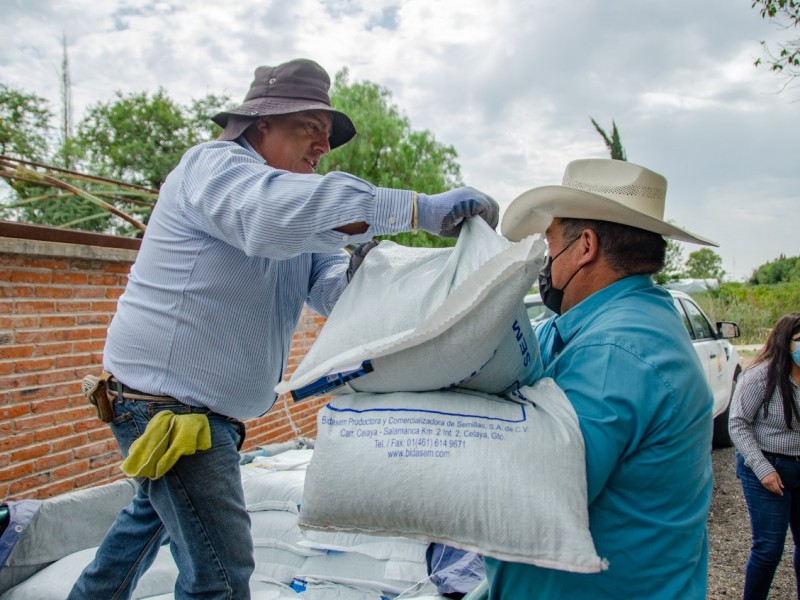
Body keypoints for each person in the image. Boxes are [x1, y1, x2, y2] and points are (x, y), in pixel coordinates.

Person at [67, 58, 498, 600]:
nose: (322, 147)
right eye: (309, 130)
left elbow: (331, 292)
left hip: (196, 412)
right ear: (261, 125)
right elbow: (269, 214)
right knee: (220, 575)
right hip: (168, 411)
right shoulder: (215, 168)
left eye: (326, 137)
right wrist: (413, 208)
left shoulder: (299, 207)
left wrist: (370, 272)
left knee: (144, 526)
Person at [484, 158, 718, 598]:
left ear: (585, 246)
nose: (546, 260)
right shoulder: (616, 322)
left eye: (551, 243)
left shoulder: (616, 352)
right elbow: (533, 345)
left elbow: (533, 501)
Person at [729, 312, 800, 600]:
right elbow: (737, 423)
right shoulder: (760, 376)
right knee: (769, 548)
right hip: (767, 466)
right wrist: (763, 469)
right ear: (786, 342)